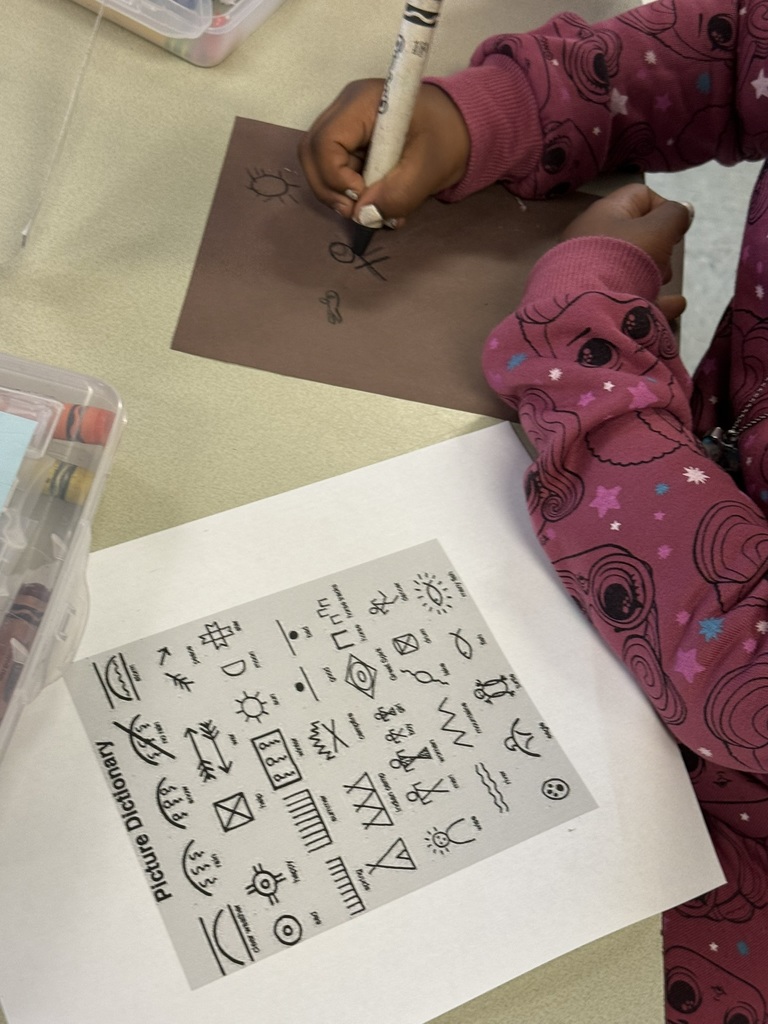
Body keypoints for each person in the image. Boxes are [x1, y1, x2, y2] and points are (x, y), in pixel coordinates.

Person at [300, 0, 768, 1018]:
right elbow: (736, 59)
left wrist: (586, 338)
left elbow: (741, 662)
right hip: (673, 529)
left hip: (721, 892)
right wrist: (497, 112)